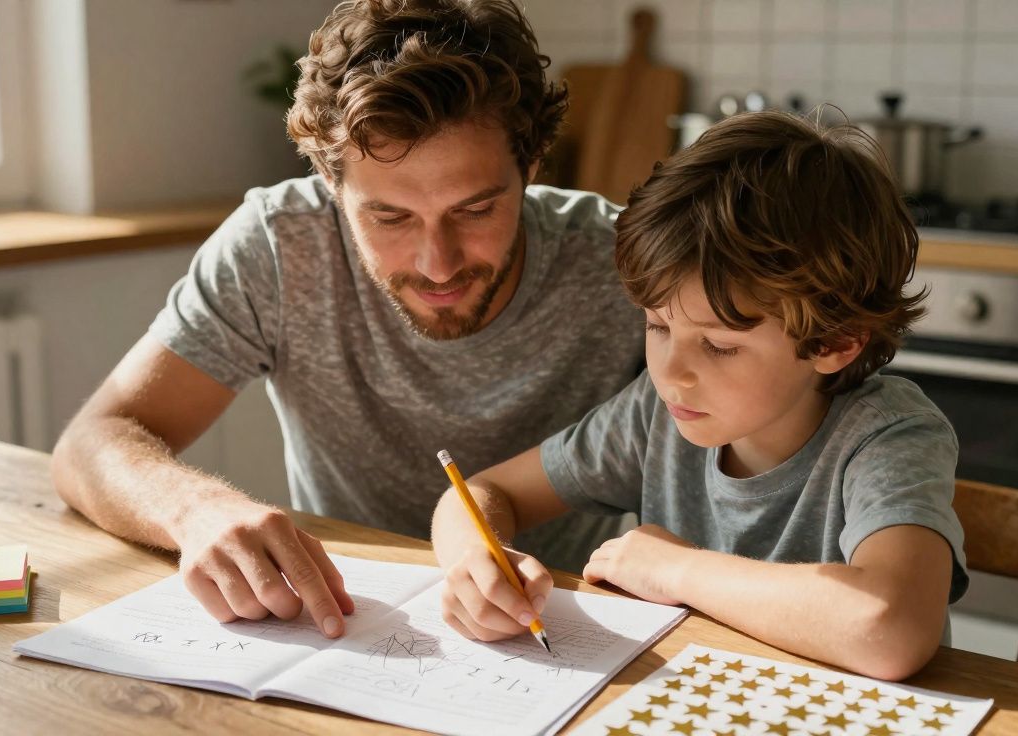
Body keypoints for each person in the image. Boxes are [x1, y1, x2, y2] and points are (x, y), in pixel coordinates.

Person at [51, 0, 644, 641]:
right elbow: (92, 442)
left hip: (566, 625)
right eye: (390, 217)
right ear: (331, 186)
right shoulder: (280, 245)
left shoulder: (622, 263)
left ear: (531, 167)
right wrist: (196, 510)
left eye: (475, 211)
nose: (438, 264)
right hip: (344, 625)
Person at [431, 110, 969, 681]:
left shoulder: (889, 436)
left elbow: (889, 627)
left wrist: (676, 570)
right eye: (657, 325)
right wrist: (476, 560)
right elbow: (484, 492)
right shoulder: (656, 414)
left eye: (719, 346)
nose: (671, 373)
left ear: (834, 341)